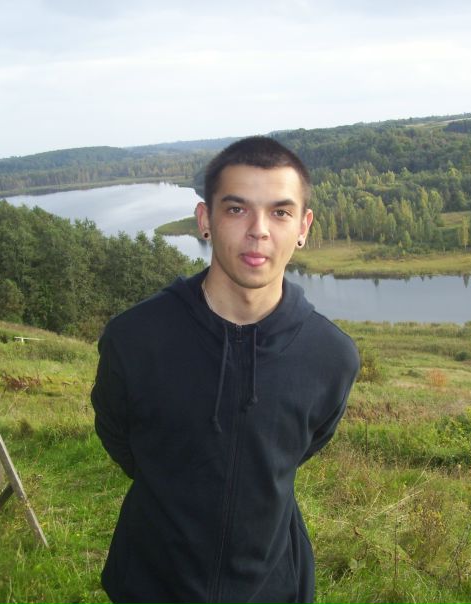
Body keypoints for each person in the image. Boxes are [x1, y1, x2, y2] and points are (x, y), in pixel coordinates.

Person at [91, 136, 359, 604]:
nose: (258, 231)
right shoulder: (135, 338)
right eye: (237, 209)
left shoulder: (330, 355)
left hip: (274, 589)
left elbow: (300, 449)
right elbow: (120, 438)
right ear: (205, 220)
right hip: (150, 584)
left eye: (280, 212)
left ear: (303, 226)